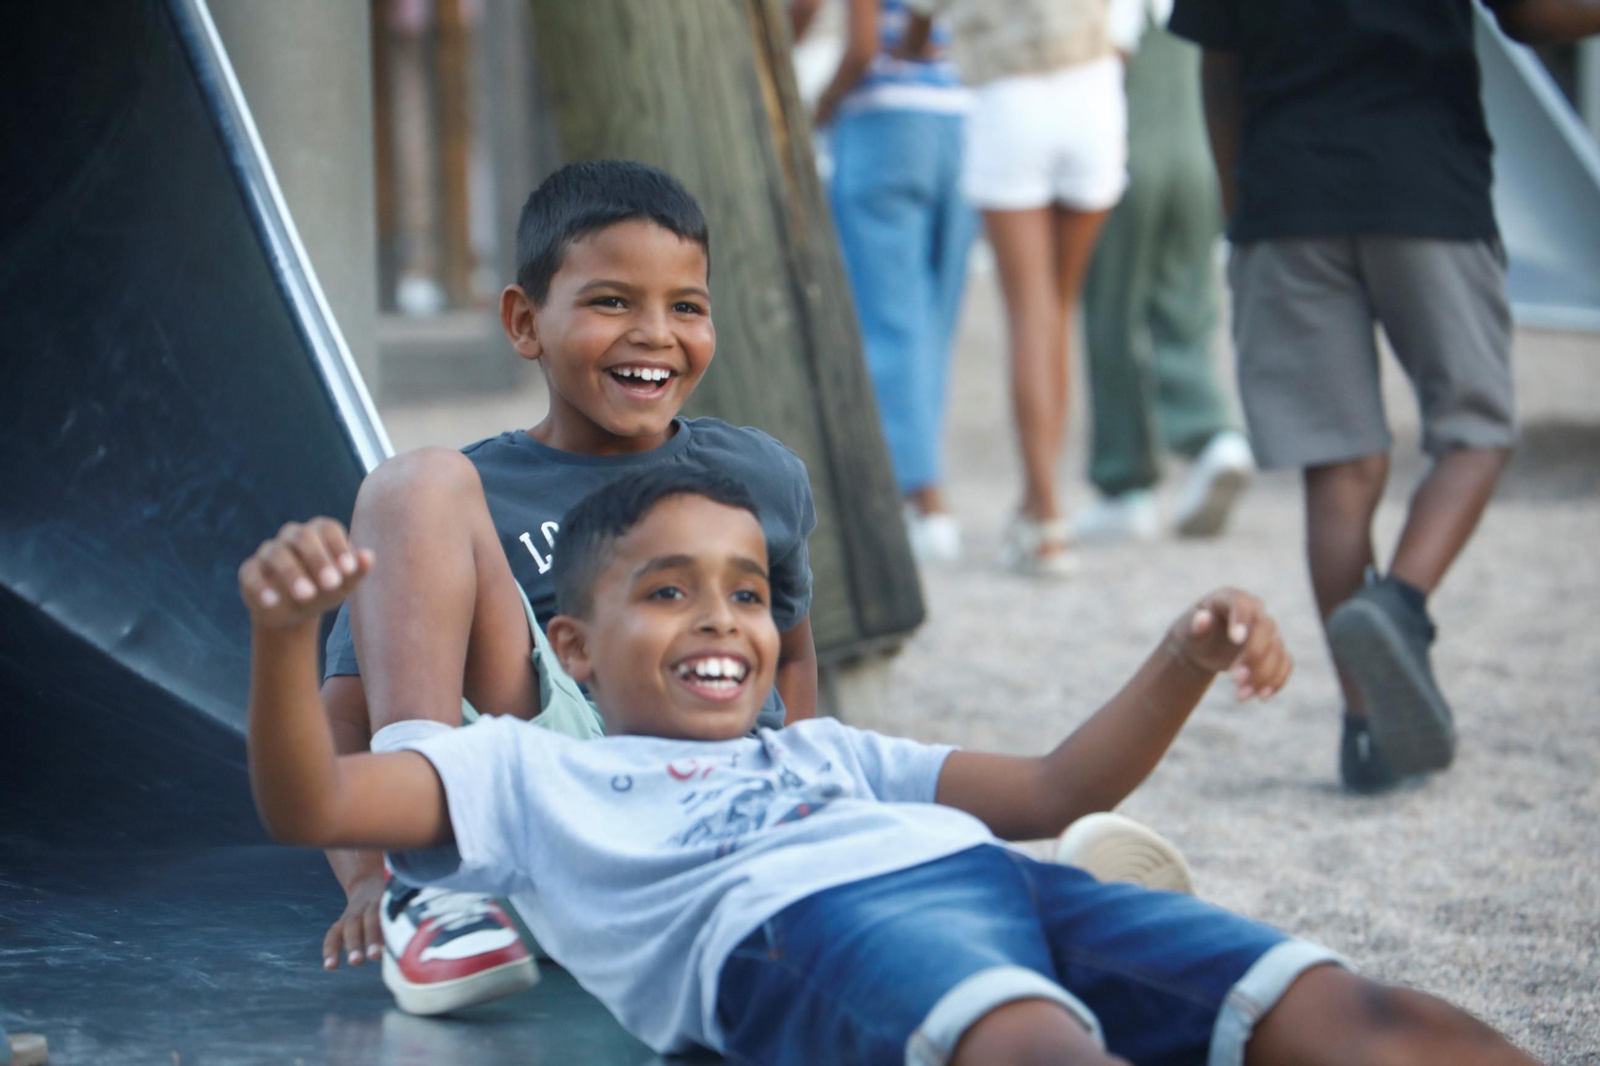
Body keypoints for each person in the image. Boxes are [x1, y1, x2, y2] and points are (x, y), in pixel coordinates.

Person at [238, 466, 1545, 1065]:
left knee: (1370, 1015)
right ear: (572, 643)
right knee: (1030, 1041)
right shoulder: (529, 772)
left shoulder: (827, 747)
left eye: (748, 594)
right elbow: (315, 800)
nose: (722, 618)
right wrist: (288, 639)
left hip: (1008, 886)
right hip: (794, 934)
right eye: (670, 591)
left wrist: (1182, 655)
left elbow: (1053, 794)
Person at [313, 160, 821, 1012]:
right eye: (611, 302)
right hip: (551, 794)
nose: (655, 333)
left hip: (719, 798)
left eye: (686, 307)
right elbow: (344, 714)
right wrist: (368, 879)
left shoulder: (757, 474)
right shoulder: (477, 499)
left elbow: (795, 659)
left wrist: (810, 778)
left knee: (908, 866)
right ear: (525, 322)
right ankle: (426, 892)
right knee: (410, 484)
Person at [1170, 0, 1600, 791]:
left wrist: (1243, 211)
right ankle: (1400, 603)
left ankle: (1365, 731)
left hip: (1285, 197)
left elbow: (1217, 72)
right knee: (1476, 430)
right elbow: (1534, 16)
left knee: (1341, 466)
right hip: (1424, 183)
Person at [903, 0, 1128, 576]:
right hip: (1093, 87)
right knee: (1059, 306)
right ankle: (1041, 506)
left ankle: (1045, 513)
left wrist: (914, 39)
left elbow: (924, 10)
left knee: (1031, 311)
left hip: (1010, 95)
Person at [1071, 0, 1254, 544]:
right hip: (1199, 153)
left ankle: (1127, 482)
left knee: (1113, 313)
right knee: (1189, 304)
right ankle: (1215, 435)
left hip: (1124, 155)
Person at [806, 0, 978, 563]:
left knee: (889, 322)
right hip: (958, 117)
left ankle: (918, 497)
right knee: (934, 322)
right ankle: (928, 487)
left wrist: (823, 104)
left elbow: (858, 44)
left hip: (881, 120)